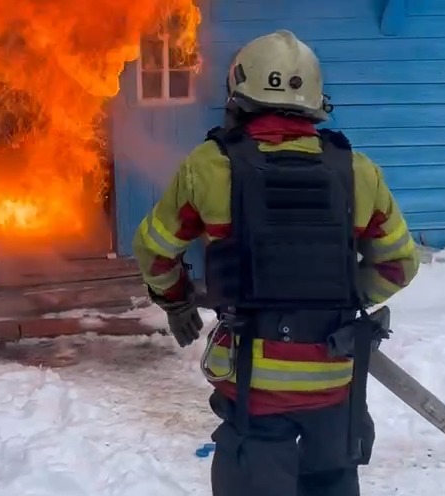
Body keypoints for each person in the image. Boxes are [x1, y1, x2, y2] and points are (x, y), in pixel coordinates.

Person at [131, 29, 421, 496]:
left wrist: (177, 300)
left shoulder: (208, 167)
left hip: (251, 387)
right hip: (334, 383)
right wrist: (340, 301)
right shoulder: (358, 172)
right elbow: (399, 263)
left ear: (239, 97)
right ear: (312, 102)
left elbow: (155, 249)